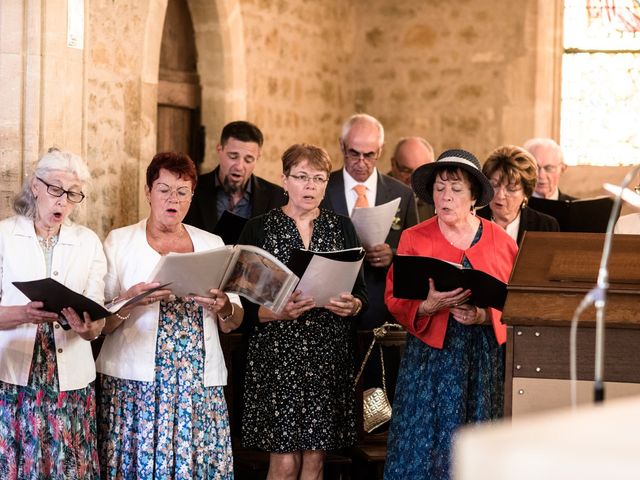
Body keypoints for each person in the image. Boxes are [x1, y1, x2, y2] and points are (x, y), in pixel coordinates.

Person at [96, 152, 244, 479]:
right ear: (148, 192)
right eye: (164, 189)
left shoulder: (212, 243)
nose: (172, 199)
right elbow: (100, 324)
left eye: (182, 191)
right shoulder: (120, 241)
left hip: (197, 383)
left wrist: (224, 307)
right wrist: (128, 300)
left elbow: (234, 320)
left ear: (192, 196)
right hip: (136, 383)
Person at [383, 149, 518, 480]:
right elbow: (393, 295)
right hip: (429, 361)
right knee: (424, 447)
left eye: (456, 190)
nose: (446, 197)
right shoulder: (414, 237)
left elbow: (517, 305)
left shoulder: (501, 242)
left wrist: (484, 317)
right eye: (439, 189)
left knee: (478, 445)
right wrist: (426, 307)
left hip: (481, 362)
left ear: (474, 197)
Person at [239, 144, 367, 480]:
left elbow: (361, 292)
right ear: (284, 180)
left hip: (327, 358)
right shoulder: (259, 228)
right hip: (276, 356)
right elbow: (241, 305)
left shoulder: (342, 228)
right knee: (283, 462)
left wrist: (352, 305)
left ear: (327, 184)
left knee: (315, 462)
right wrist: (275, 312)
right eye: (301, 177)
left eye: (318, 179)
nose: (310, 186)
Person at [0, 148, 106, 479]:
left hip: (70, 380)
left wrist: (88, 328)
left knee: (68, 466)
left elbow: (98, 318)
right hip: (15, 377)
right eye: (55, 189)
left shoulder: (88, 242)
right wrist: (22, 313)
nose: (63, 201)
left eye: (73, 194)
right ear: (35, 186)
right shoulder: (4, 235)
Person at [321, 113, 418, 329]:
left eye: (369, 155)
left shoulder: (401, 193)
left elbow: (415, 255)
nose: (361, 162)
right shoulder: (322, 188)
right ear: (342, 146)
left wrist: (391, 254)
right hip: (332, 305)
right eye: (354, 154)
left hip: (383, 305)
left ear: (380, 151)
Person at [184, 120, 286, 237]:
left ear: (258, 157)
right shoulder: (192, 189)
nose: (239, 166)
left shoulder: (277, 197)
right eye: (233, 156)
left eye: (248, 159)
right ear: (219, 149)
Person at [477, 145, 559, 245]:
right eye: (494, 185)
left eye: (511, 189)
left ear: (526, 192)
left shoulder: (545, 226)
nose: (500, 195)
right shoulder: (473, 221)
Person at [389, 136, 436, 221]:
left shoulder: (439, 196)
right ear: (393, 164)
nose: (413, 179)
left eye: (421, 172)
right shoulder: (378, 193)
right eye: (406, 170)